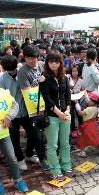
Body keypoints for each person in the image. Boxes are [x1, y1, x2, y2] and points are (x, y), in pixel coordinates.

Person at [0, 55, 42, 171]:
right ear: (5, 69)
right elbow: (2, 99)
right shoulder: (2, 79)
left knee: (32, 133)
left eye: (14, 70)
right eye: (10, 70)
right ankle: (20, 159)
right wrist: (6, 116)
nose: (13, 72)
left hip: (27, 110)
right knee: (14, 138)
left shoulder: (23, 73)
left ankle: (29, 154)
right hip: (12, 113)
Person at [39, 51, 75, 181]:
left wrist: (68, 110)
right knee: (52, 145)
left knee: (65, 143)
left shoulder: (64, 77)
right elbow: (47, 100)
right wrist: (60, 114)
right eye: (51, 61)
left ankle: (66, 166)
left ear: (61, 63)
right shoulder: (44, 78)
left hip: (65, 115)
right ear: (47, 63)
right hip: (52, 116)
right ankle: (55, 169)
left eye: (56, 61)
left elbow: (68, 95)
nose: (54, 64)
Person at [17, 45, 48, 170]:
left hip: (46, 105)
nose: (32, 61)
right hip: (33, 109)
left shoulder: (42, 65)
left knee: (44, 134)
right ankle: (42, 159)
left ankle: (30, 154)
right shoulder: (23, 72)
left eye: (34, 58)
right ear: (24, 58)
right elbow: (27, 92)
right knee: (37, 135)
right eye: (29, 58)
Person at [75, 91, 99, 157]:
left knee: (82, 138)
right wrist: (85, 94)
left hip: (86, 125)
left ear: (93, 102)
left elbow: (80, 113)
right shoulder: (97, 108)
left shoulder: (89, 109)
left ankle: (82, 152)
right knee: (95, 138)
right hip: (94, 124)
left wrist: (76, 104)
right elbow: (89, 100)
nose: (87, 101)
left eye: (89, 100)